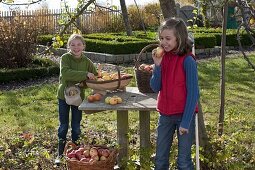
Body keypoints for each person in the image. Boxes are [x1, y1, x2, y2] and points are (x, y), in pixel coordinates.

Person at [150, 17, 199, 170]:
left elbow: (193, 94)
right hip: (165, 115)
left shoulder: (188, 61)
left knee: (183, 162)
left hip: (185, 116)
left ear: (179, 38)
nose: (164, 42)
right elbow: (155, 86)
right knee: (160, 160)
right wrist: (157, 67)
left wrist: (185, 122)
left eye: (168, 38)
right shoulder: (162, 58)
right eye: (161, 38)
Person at [55, 34, 97, 164]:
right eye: (72, 44)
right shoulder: (65, 58)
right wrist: (84, 74)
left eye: (79, 44)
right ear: (68, 46)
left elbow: (95, 75)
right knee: (63, 126)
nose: (76, 47)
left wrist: (88, 80)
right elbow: (66, 74)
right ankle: (60, 155)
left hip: (78, 97)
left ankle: (76, 154)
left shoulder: (87, 61)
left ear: (83, 46)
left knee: (76, 126)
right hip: (64, 96)